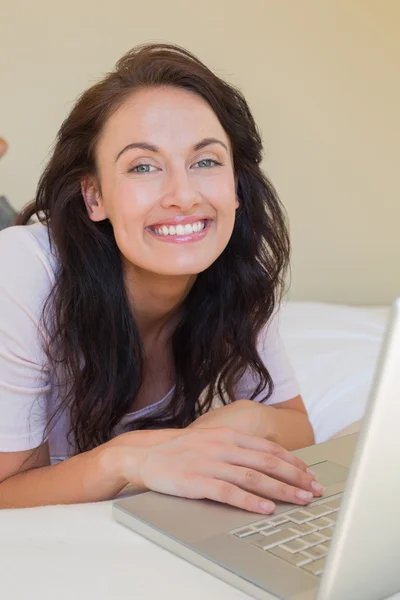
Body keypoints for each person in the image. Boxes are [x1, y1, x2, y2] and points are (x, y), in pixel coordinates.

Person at [0, 43, 320, 511]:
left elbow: (298, 428)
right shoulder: (24, 271)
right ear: (94, 198)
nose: (183, 195)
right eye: (143, 166)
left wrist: (243, 419)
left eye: (206, 161)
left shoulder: (234, 271)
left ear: (235, 185)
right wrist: (126, 459)